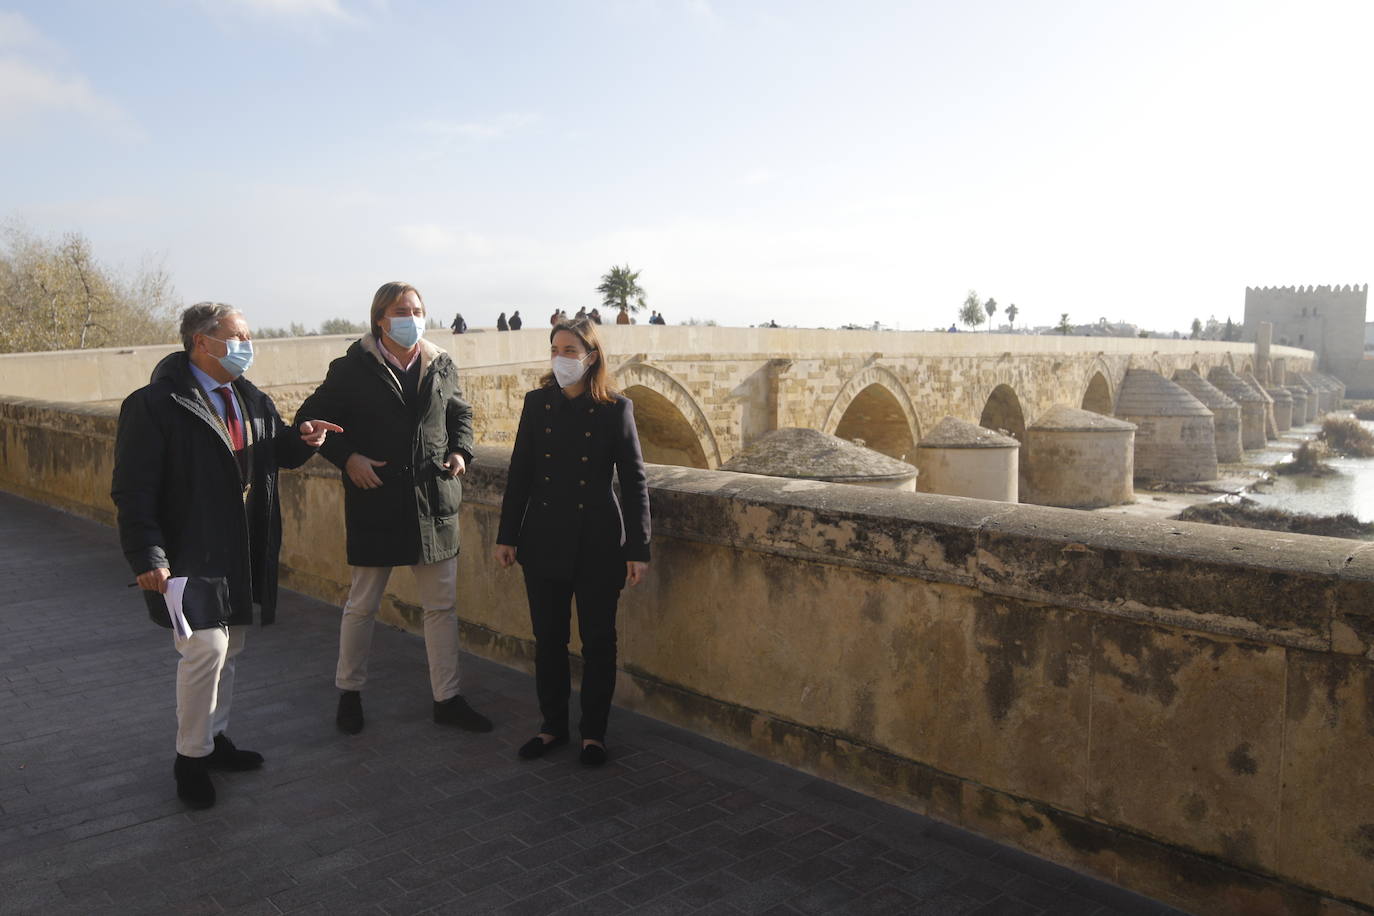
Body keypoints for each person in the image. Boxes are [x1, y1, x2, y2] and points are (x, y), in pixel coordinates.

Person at [111, 303, 342, 809]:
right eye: (238, 336)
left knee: (230, 649)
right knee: (205, 650)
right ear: (201, 342)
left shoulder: (250, 398)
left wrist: (305, 441)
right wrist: (148, 554)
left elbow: (272, 450)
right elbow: (134, 489)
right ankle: (189, 758)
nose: (247, 345)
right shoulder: (154, 404)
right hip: (189, 549)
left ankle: (214, 740)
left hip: (241, 544)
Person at [295, 281, 492, 737]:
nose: (412, 317)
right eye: (402, 310)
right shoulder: (351, 368)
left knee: (441, 607)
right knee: (363, 604)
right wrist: (347, 458)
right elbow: (311, 419)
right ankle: (349, 692)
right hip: (377, 499)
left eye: (417, 309)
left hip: (432, 501)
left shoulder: (441, 363)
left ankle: (448, 698)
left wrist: (461, 451)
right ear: (380, 318)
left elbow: (459, 414)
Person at [494, 318, 650, 767]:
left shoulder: (616, 409)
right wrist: (507, 535)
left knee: (599, 642)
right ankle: (552, 726)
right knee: (549, 640)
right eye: (555, 349)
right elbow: (520, 474)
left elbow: (635, 482)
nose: (561, 358)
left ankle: (594, 734)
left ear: (591, 356)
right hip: (542, 540)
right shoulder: (537, 404)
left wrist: (639, 548)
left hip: (599, 542)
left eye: (569, 350)